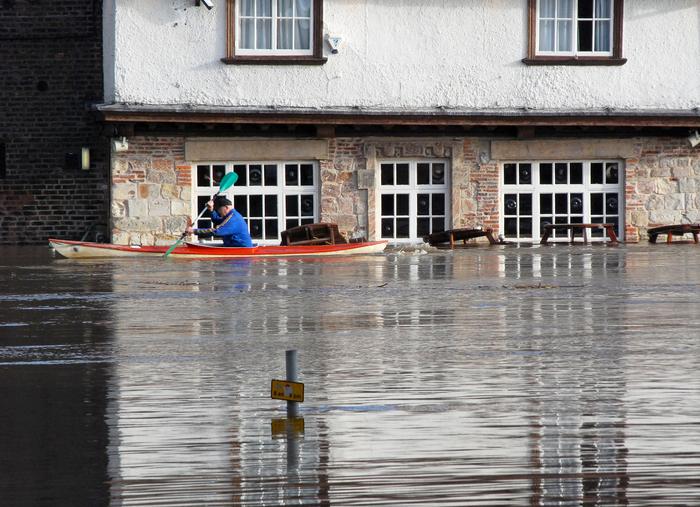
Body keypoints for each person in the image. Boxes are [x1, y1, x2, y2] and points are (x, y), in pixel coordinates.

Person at [185, 196, 254, 247]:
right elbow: (217, 221)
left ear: (226, 207)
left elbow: (217, 232)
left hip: (241, 251)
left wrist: (194, 231)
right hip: (232, 248)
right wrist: (211, 210)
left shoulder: (234, 219)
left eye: (219, 210)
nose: (218, 212)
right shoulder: (230, 216)